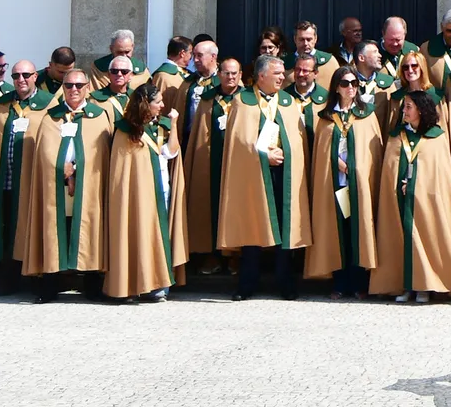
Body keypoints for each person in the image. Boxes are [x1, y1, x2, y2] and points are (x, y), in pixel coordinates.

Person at [16, 65, 114, 302]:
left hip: (88, 187)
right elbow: (44, 151)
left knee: (89, 232)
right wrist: (62, 170)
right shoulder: (51, 116)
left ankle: (92, 286)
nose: (74, 90)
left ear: (88, 88)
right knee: (53, 233)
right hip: (55, 187)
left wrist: (77, 169)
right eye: (69, 85)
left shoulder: (99, 116)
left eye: (79, 85)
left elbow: (101, 153)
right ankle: (50, 287)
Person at [218, 55, 311, 301]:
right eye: (277, 73)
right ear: (261, 76)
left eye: (282, 73)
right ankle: (247, 284)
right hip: (253, 172)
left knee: (285, 223)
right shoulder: (243, 101)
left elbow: (297, 138)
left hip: (284, 171)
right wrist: (262, 154)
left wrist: (285, 152)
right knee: (253, 223)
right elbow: (238, 141)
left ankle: (286, 283)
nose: (283, 77)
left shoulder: (289, 102)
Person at [373, 89, 451, 303]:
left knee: (426, 237)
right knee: (400, 239)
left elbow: (439, 175)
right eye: (404, 107)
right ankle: (405, 284)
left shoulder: (436, 137)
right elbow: (390, 168)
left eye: (409, 107)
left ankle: (424, 285)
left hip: (427, 202)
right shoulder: (396, 135)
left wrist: (415, 186)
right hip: (399, 200)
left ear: (421, 109)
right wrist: (398, 184)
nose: (405, 111)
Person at [0, 59, 49, 292]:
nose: (20, 80)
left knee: (29, 226)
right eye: (16, 76)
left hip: (31, 181)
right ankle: (8, 279)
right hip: (4, 179)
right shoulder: (2, 105)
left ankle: (34, 278)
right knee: (5, 227)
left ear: (36, 76)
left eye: (26, 75)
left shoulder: (46, 104)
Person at [102, 81, 186, 303]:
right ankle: (129, 284)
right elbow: (123, 169)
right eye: (158, 102)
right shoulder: (124, 130)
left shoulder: (163, 125)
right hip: (135, 193)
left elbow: (171, 152)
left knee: (156, 235)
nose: (162, 105)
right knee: (133, 232)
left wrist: (174, 124)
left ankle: (156, 284)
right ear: (146, 104)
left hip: (161, 188)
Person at [305, 68, 384, 299]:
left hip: (359, 185)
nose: (351, 87)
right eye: (345, 83)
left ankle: (359, 283)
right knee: (337, 232)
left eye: (354, 83)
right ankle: (339, 283)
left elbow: (373, 152)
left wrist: (357, 167)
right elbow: (320, 152)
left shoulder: (366, 115)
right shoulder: (326, 118)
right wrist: (336, 163)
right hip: (335, 185)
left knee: (357, 232)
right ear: (336, 87)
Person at [184, 55, 242, 271]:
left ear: (240, 76)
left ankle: (234, 254)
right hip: (211, 159)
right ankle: (212, 255)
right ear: (219, 75)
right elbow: (200, 130)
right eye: (226, 73)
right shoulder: (208, 100)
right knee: (209, 205)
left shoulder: (246, 98)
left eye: (234, 73)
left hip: (238, 162)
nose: (230, 77)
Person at [87, 52, 136, 118]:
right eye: (114, 71)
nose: (119, 74)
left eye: (124, 71)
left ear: (131, 75)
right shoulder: (95, 99)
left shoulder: (136, 97)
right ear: (109, 75)